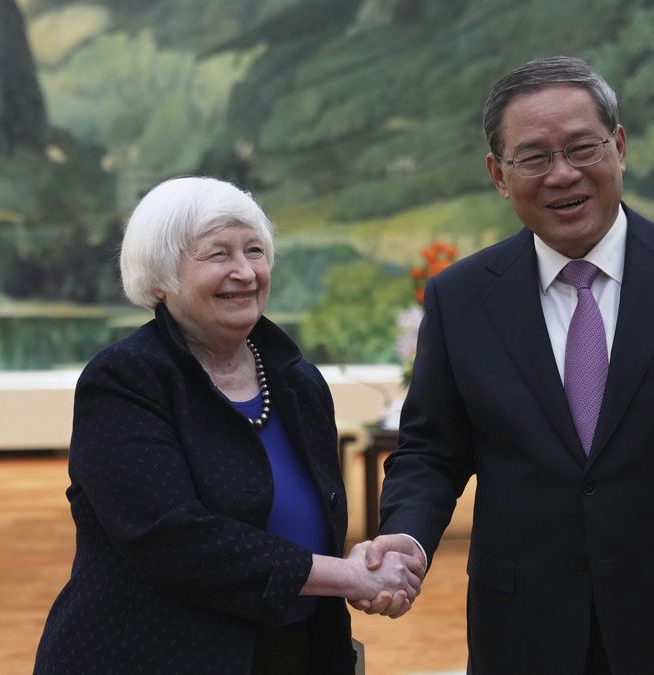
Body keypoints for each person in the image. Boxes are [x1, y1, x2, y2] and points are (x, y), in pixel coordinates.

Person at [358, 56, 654, 674]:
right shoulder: (461, 297)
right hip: (523, 631)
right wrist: (405, 538)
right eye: (534, 157)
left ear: (619, 147)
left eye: (582, 147)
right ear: (498, 175)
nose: (562, 174)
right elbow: (432, 449)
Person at [34, 176, 422, 674]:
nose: (244, 272)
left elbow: (312, 519)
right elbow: (171, 537)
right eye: (218, 254)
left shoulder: (297, 380)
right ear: (160, 276)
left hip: (296, 651)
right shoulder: (124, 380)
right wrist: (346, 577)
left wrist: (364, 560)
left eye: (255, 250)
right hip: (154, 656)